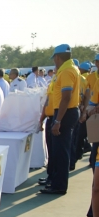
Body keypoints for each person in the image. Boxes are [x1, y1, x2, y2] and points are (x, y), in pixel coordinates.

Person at [39, 45, 80, 195]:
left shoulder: (67, 71)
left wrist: (58, 121)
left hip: (65, 113)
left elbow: (66, 97)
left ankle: (59, 186)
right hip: (63, 113)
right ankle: (56, 182)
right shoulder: (66, 70)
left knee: (61, 151)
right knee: (57, 150)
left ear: (58, 57)